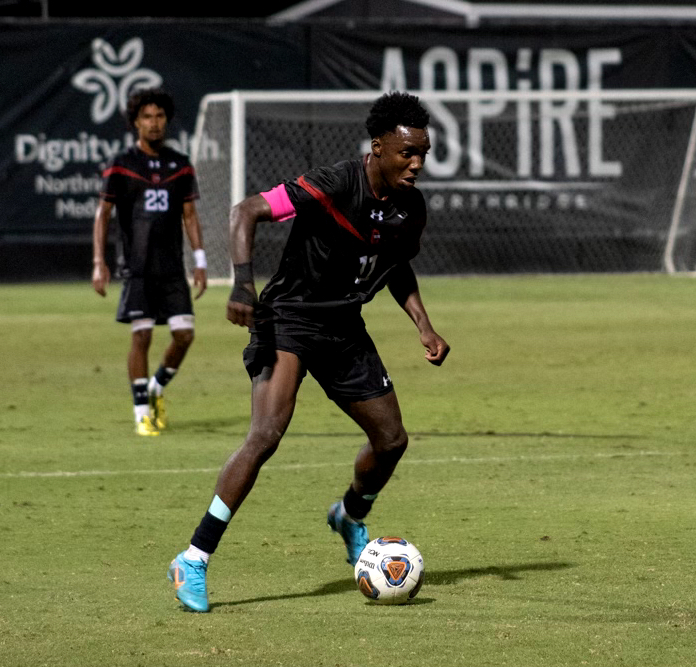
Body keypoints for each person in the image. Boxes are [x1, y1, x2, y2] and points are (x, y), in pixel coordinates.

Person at [166, 91, 450, 612]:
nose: (417, 163)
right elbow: (245, 211)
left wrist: (423, 326)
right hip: (289, 320)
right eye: (407, 152)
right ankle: (194, 557)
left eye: (424, 153)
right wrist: (242, 286)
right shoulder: (335, 182)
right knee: (266, 434)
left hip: (343, 326)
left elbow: (396, 265)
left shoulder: (410, 207)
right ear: (379, 147)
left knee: (391, 440)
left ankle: (349, 514)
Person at [92, 87, 207, 437]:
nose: (154, 123)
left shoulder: (180, 164)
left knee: (184, 335)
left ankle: (156, 388)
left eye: (159, 116)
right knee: (141, 338)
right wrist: (99, 261)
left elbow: (189, 214)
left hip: (171, 268)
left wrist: (199, 260)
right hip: (138, 268)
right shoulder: (122, 165)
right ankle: (142, 411)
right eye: (147, 117)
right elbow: (103, 214)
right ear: (135, 123)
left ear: (167, 120)